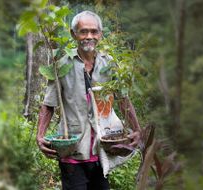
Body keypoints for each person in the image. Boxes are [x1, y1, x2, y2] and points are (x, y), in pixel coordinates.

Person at [36, 10, 141, 190]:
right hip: (72, 151)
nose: (89, 36)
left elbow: (123, 99)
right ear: (73, 34)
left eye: (94, 32)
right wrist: (40, 136)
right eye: (83, 31)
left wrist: (137, 130)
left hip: (102, 150)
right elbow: (48, 105)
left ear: (100, 34)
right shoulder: (61, 66)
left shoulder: (109, 64)